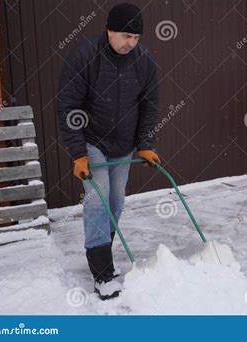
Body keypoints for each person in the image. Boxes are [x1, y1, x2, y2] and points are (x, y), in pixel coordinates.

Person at [57, 2, 160, 300]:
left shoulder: (144, 61)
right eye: (127, 36)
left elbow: (149, 107)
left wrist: (145, 144)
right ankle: (102, 274)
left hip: (124, 144)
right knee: (97, 201)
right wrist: (78, 152)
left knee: (116, 202)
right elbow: (68, 106)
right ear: (110, 31)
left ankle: (104, 257)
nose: (132, 43)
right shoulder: (85, 56)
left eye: (137, 38)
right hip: (92, 141)